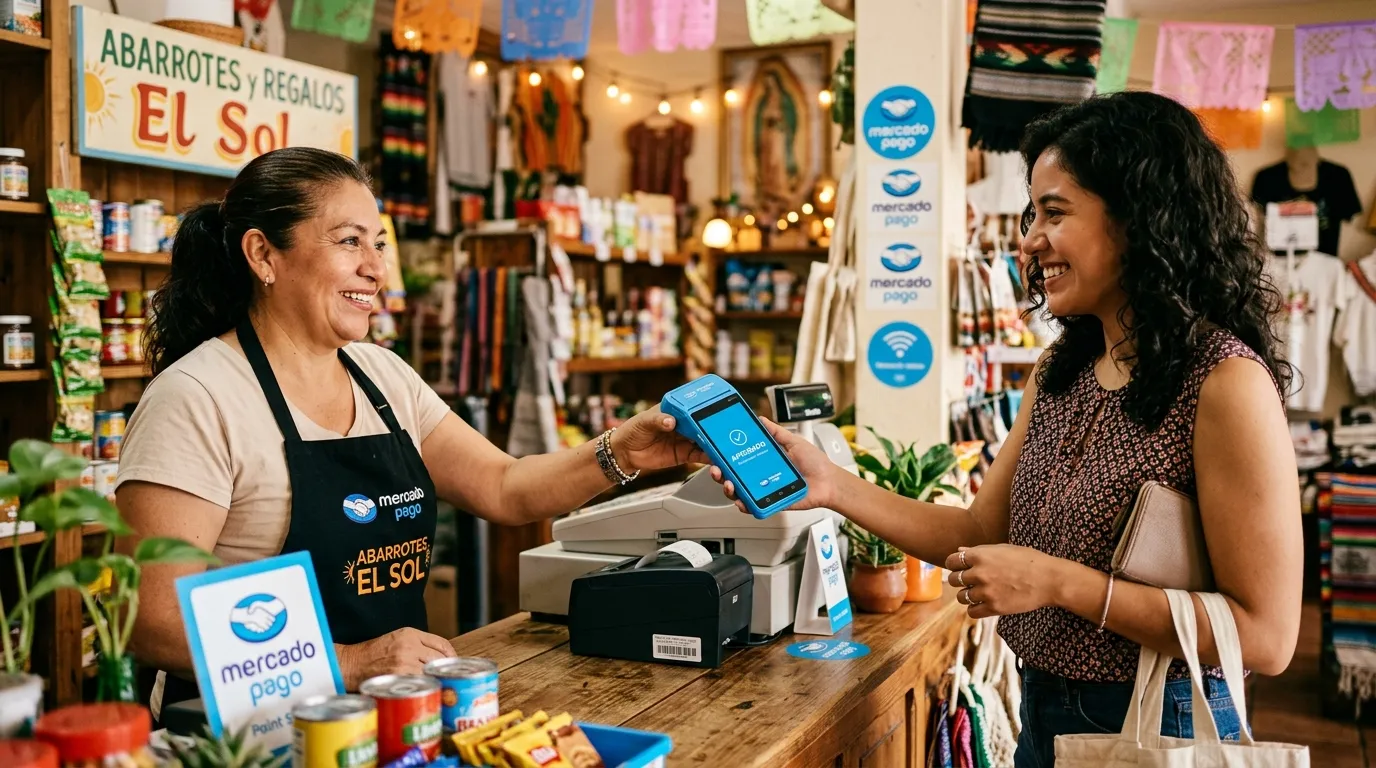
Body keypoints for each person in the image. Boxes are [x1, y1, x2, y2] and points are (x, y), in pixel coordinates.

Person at [707, 91, 1302, 766]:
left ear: (1139, 217)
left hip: (1156, 721)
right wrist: (831, 485)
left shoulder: (1224, 384)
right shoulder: (1061, 371)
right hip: (1041, 708)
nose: (1029, 240)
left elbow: (1267, 634)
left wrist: (1058, 583)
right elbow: (978, 534)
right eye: (1031, 214)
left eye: (1054, 212)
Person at [114, 147, 698, 720]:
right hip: (248, 739)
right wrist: (346, 663)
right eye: (349, 242)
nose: (375, 267)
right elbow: (152, 618)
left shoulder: (381, 374)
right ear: (263, 254)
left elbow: (504, 485)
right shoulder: (197, 397)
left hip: (390, 718)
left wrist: (624, 451)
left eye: (379, 243)